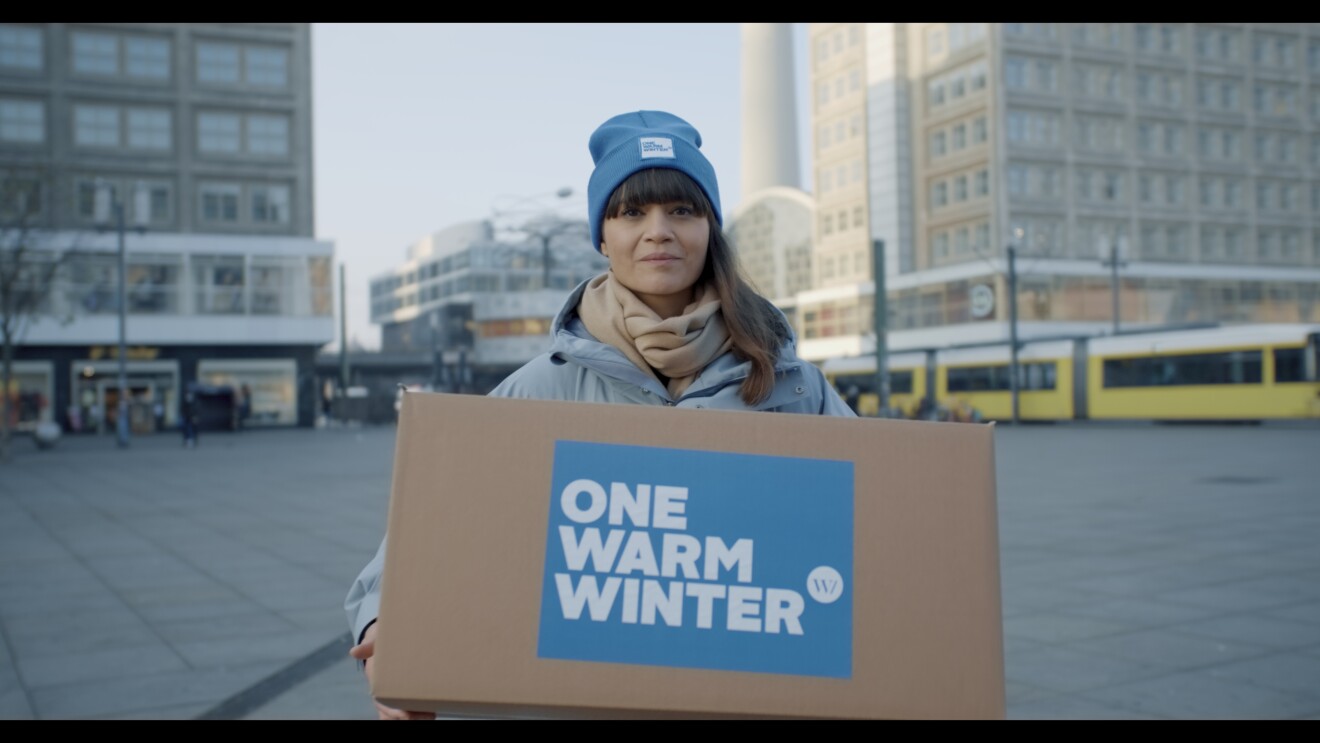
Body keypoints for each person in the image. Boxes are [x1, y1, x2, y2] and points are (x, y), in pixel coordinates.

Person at [344, 110, 856, 720]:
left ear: (711, 229)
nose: (659, 231)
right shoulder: (541, 387)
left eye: (682, 211)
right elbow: (428, 533)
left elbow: (877, 528)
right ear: (602, 236)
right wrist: (389, 630)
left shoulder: (797, 388)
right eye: (632, 212)